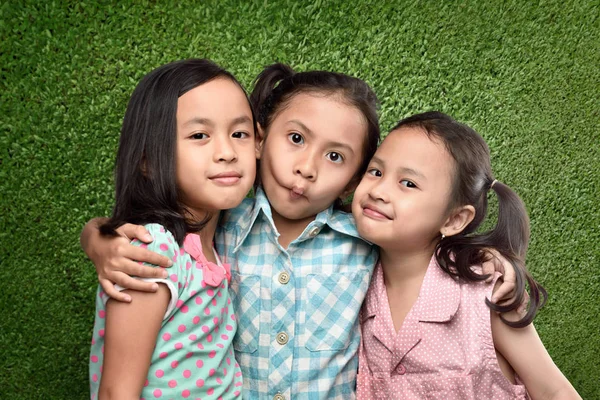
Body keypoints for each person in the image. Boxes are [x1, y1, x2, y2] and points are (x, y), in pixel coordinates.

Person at [81, 65, 519, 399]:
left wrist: (482, 258)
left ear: (354, 179)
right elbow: (150, 225)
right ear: (260, 138)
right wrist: (100, 238)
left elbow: (418, 240)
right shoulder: (224, 220)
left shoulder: (364, 240)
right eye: (294, 139)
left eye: (335, 157)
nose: (306, 169)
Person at [353, 111, 581, 399]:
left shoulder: (486, 293)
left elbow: (554, 390)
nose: (379, 190)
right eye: (376, 172)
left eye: (408, 183)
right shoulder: (352, 280)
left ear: (454, 220)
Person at [88, 58, 257, 399]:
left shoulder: (220, 236)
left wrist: (93, 233)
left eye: (240, 133)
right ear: (148, 160)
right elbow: (116, 393)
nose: (227, 152)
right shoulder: (152, 252)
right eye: (199, 135)